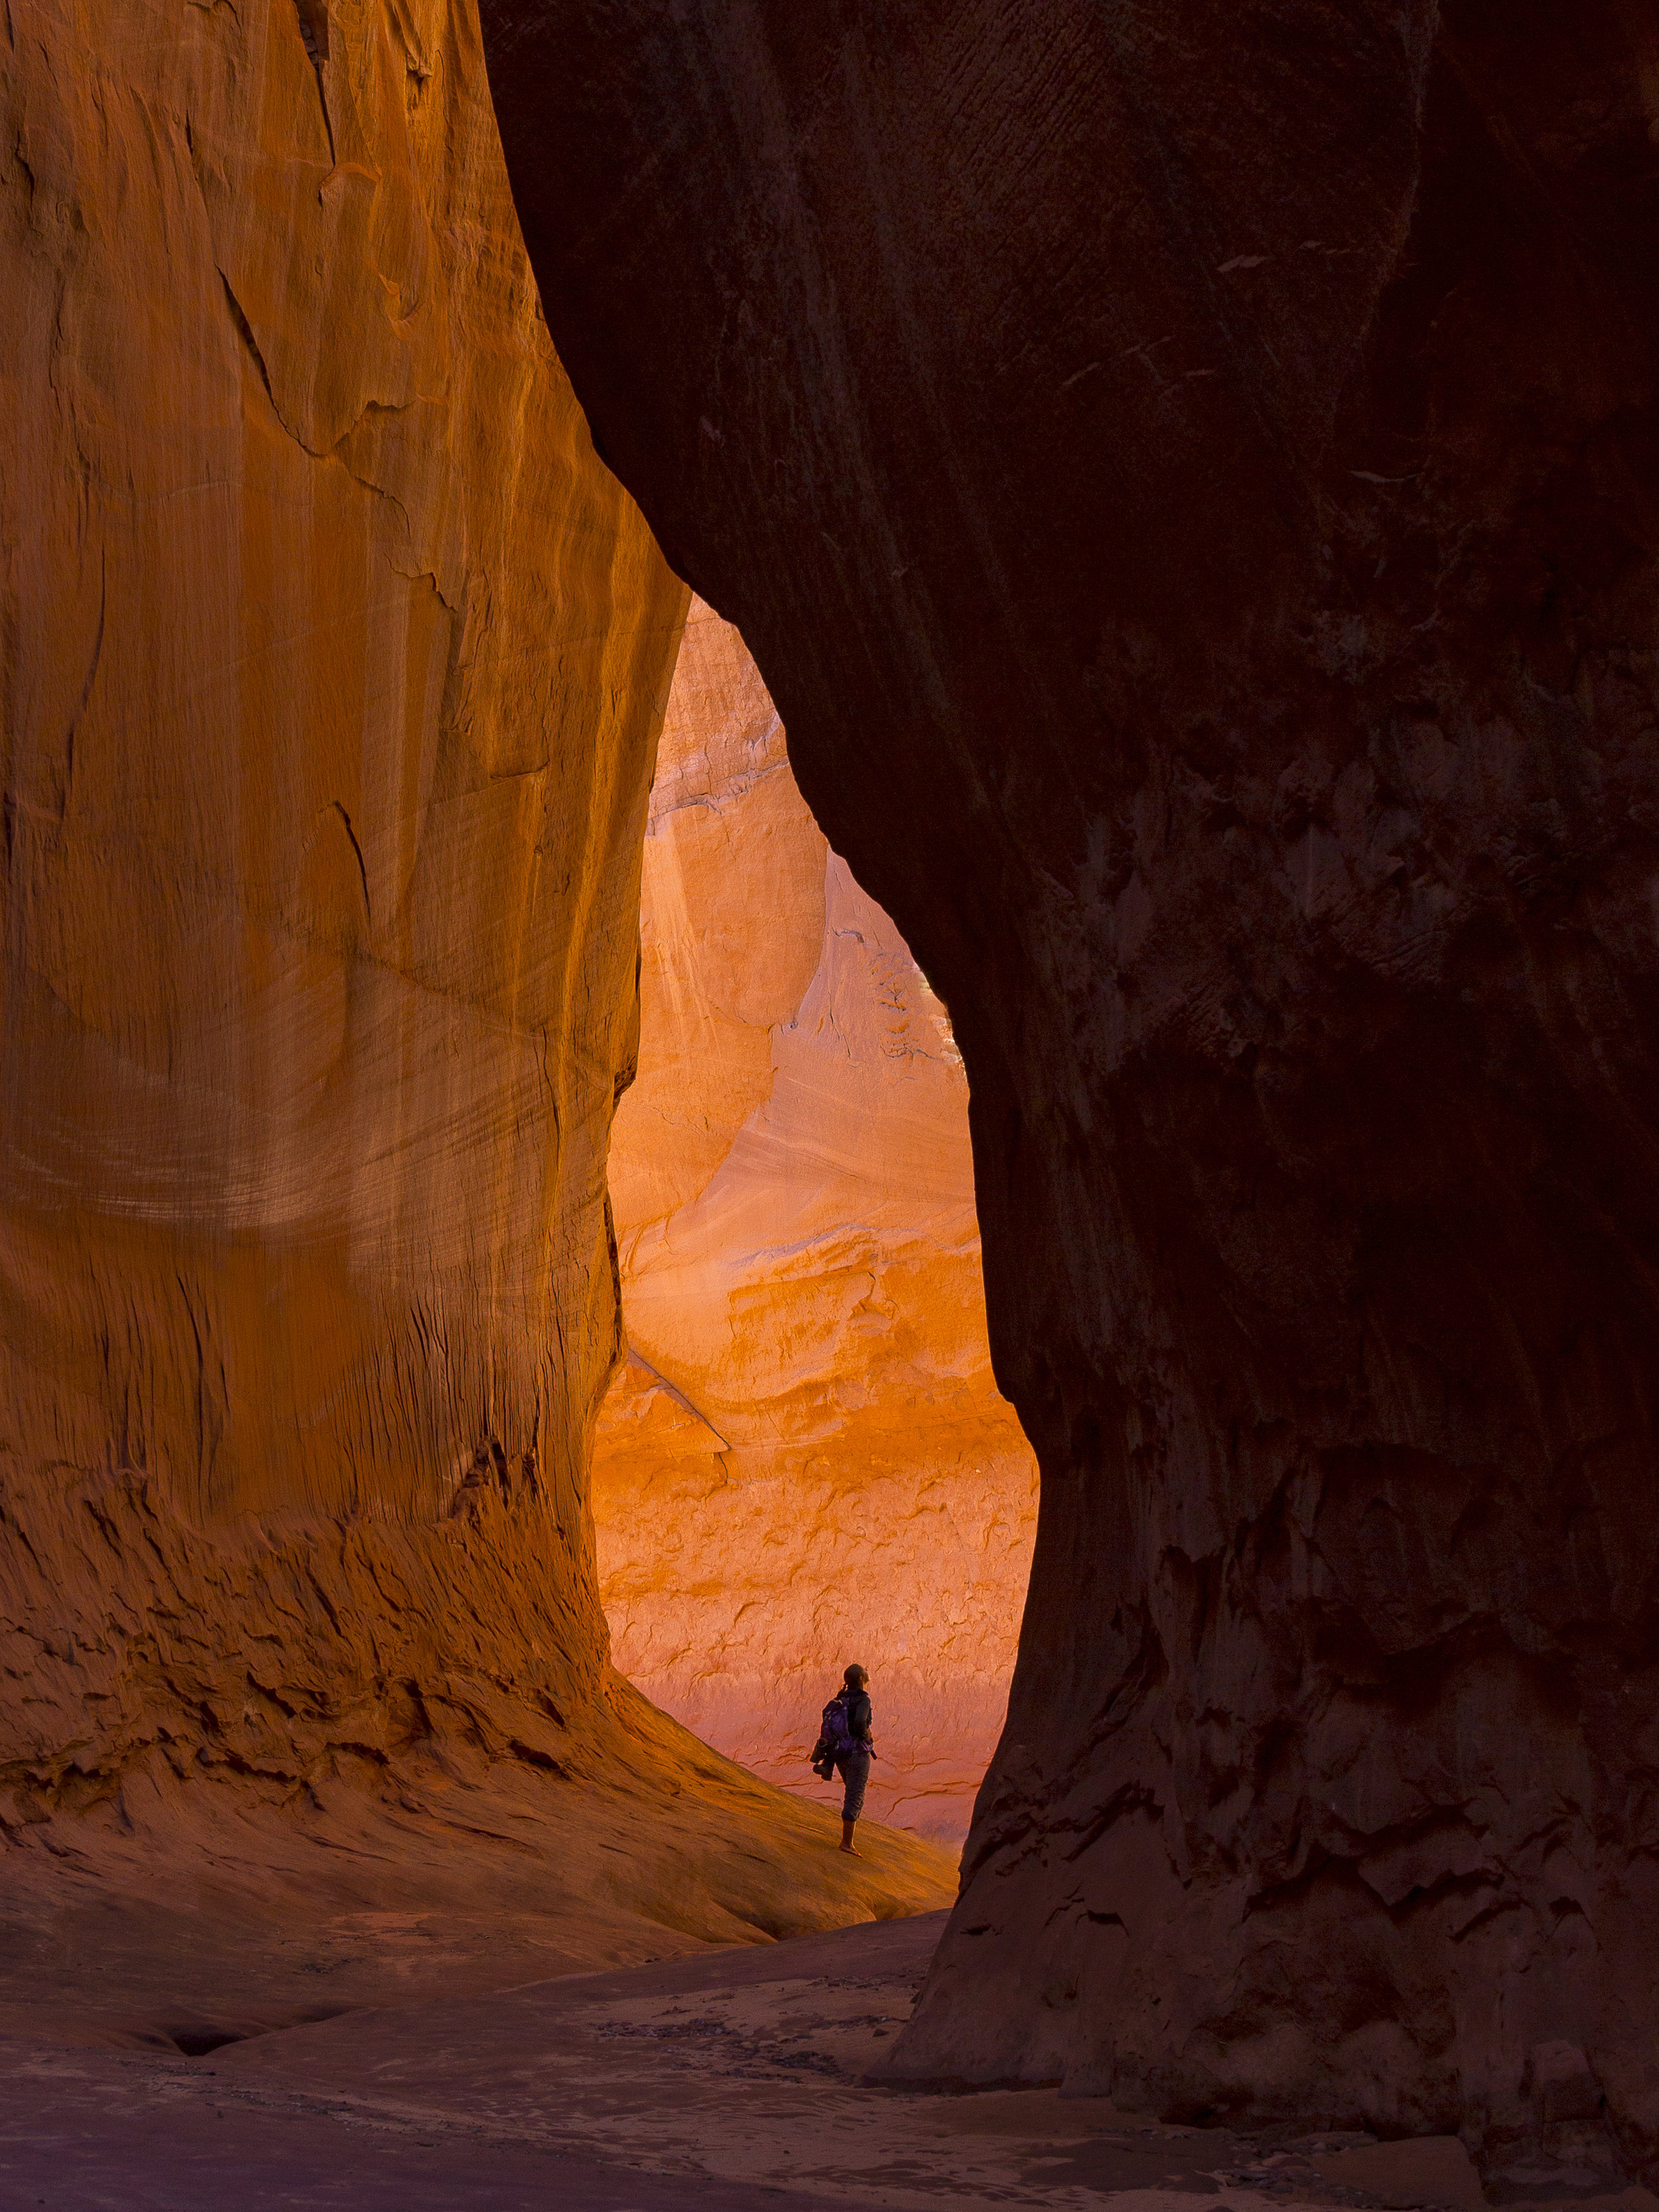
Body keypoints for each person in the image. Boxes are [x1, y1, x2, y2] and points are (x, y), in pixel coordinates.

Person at [834, 1662, 873, 1856]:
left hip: (840, 1752)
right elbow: (859, 1723)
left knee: (851, 1791)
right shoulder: (863, 1700)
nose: (867, 1671)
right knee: (855, 1795)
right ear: (860, 1678)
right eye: (864, 1670)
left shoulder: (841, 1697)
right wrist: (866, 1735)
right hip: (858, 1752)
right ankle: (847, 1843)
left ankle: (847, 1840)